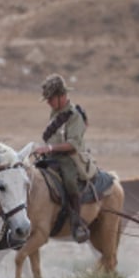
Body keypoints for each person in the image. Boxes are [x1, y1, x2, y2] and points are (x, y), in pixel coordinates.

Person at [34, 74, 97, 242]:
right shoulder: (55, 113)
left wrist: (49, 148)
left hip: (70, 158)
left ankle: (77, 224)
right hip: (52, 156)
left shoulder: (74, 115)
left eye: (51, 98)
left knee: (69, 181)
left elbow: (73, 144)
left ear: (62, 96)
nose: (48, 102)